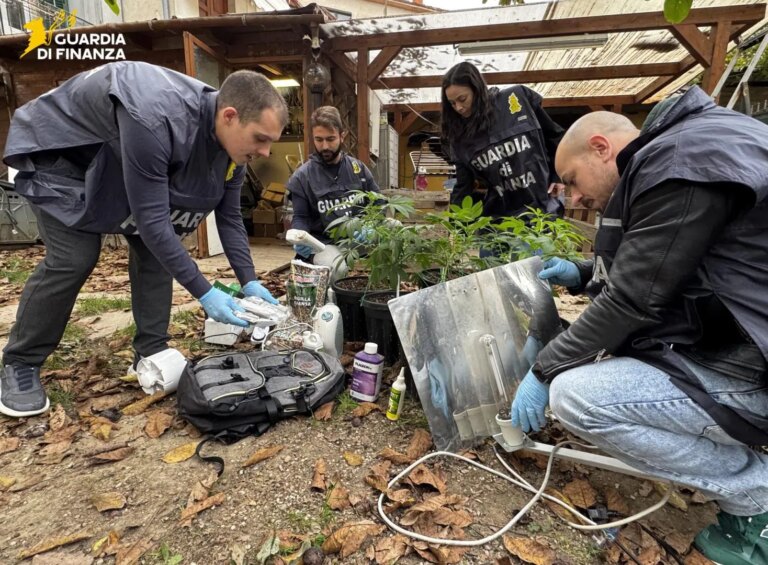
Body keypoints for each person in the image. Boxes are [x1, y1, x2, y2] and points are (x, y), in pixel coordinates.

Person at [510, 87, 768, 565]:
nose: (576, 195)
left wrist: (544, 371)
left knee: (576, 397)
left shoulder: (678, 160)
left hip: (749, 368)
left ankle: (757, 498)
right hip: (739, 348)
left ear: (601, 148)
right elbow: (672, 267)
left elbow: (634, 299)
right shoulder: (691, 146)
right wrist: (585, 272)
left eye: (571, 179)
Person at [0, 61, 288, 418]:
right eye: (261, 139)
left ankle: (150, 351)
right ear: (229, 116)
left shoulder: (232, 151)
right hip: (62, 156)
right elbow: (152, 221)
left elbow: (228, 217)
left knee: (156, 256)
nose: (265, 153)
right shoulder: (155, 119)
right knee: (75, 256)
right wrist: (204, 292)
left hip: (119, 162)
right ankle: (20, 363)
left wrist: (250, 280)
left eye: (270, 143)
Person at [440, 62, 564, 225]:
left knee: (535, 248)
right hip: (497, 220)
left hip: (541, 211)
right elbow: (463, 186)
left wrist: (559, 176)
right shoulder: (461, 137)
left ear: (477, 90)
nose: (459, 107)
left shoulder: (516, 100)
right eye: (452, 103)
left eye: (462, 99)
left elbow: (556, 137)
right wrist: (457, 228)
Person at [287, 106, 380, 279]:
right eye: (319, 140)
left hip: (359, 238)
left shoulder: (358, 169)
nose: (325, 146)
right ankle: (338, 304)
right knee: (336, 267)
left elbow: (379, 203)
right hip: (325, 244)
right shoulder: (302, 177)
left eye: (331, 139)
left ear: (342, 136)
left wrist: (371, 225)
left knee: (394, 227)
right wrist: (299, 237)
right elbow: (300, 216)